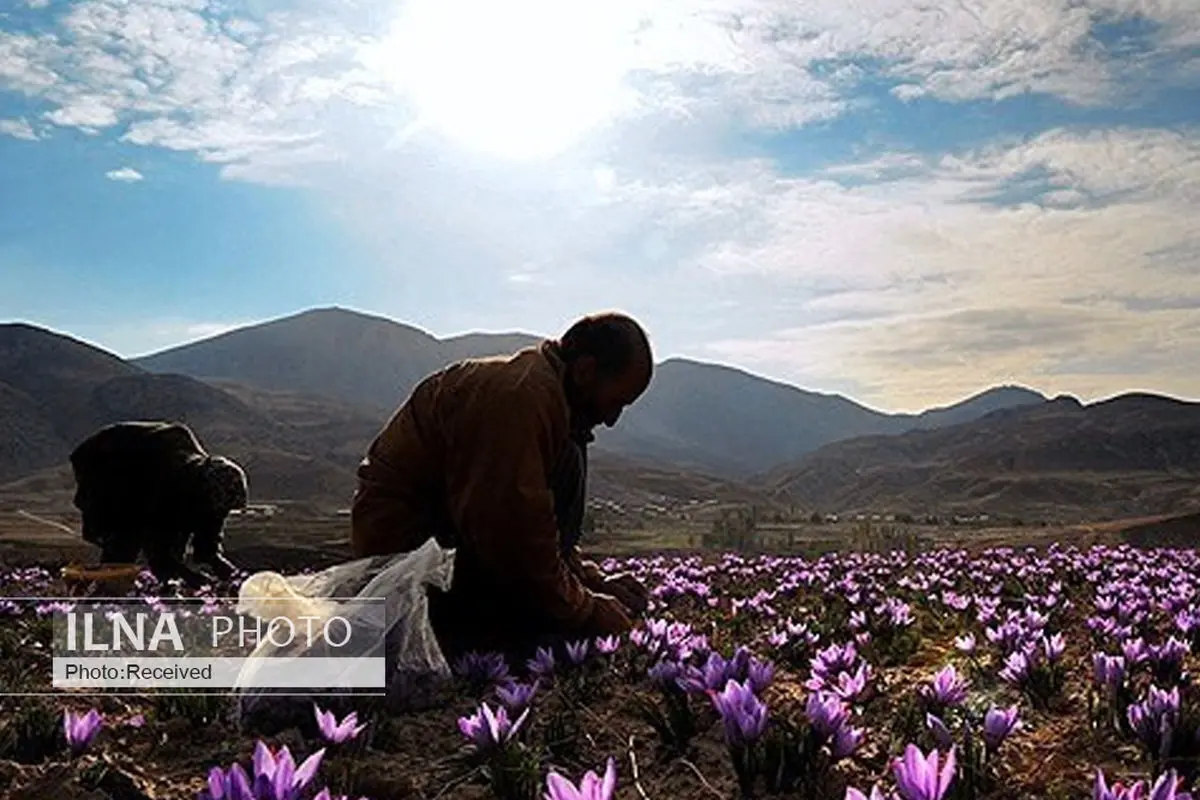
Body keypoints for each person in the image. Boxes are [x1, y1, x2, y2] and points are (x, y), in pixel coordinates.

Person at [350, 311, 654, 660]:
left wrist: (588, 580)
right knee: (537, 634)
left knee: (572, 452)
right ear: (585, 370)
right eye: (616, 401)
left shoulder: (550, 397)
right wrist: (586, 610)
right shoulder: (519, 398)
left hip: (448, 543)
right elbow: (514, 539)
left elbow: (537, 522)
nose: (613, 419)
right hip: (407, 557)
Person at [69, 420, 248, 587]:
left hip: (141, 469)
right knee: (124, 540)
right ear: (202, 496)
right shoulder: (164, 483)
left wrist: (230, 573)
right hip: (106, 466)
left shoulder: (204, 491)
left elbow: (208, 538)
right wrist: (186, 577)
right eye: (216, 508)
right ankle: (107, 597)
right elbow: (157, 548)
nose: (220, 514)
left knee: (172, 543)